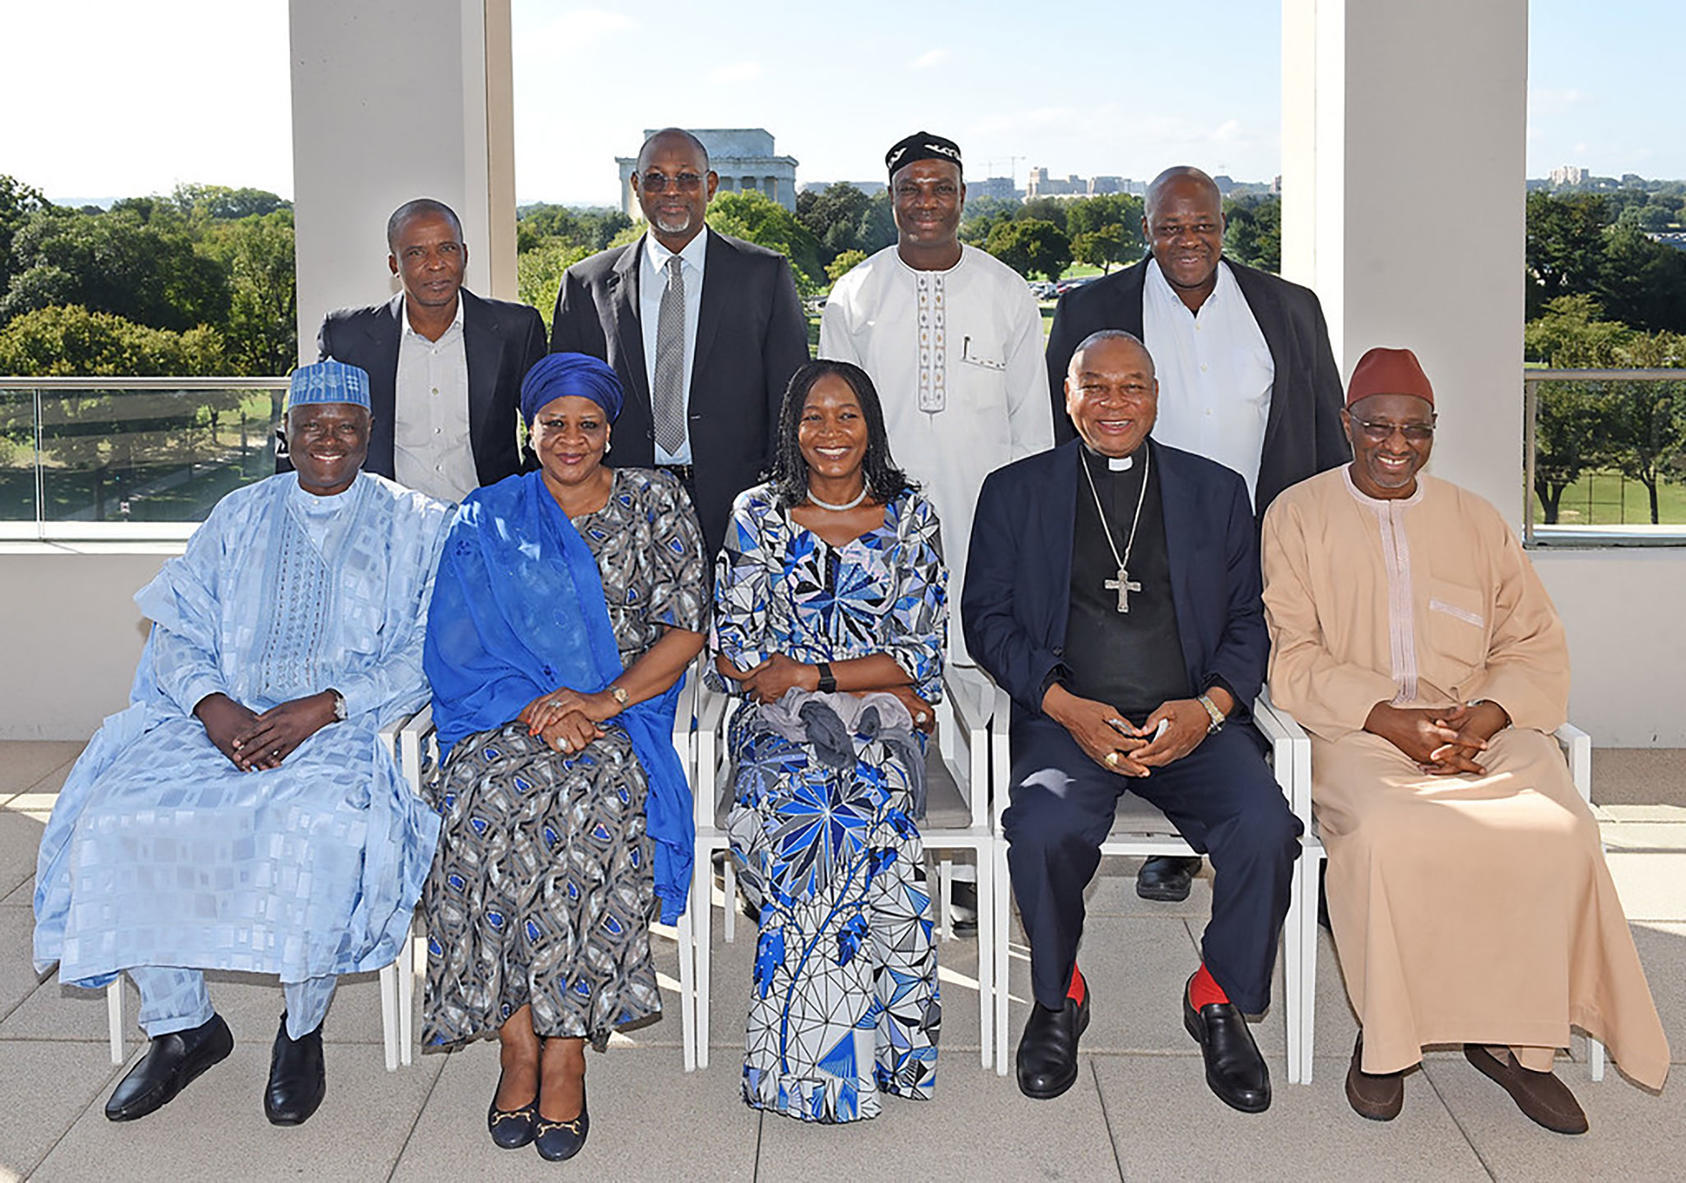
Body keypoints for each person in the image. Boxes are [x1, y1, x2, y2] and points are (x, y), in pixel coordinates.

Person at [1260, 346, 1669, 1132]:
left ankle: (1522, 1045)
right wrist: (1391, 720)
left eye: (1414, 429)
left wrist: (1482, 717)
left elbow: (1532, 644)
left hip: (1480, 726)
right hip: (1360, 733)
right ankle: (1387, 1041)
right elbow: (1294, 654)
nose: (1395, 444)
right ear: (1347, 424)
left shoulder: (1476, 519)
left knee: (1562, 830)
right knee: (1387, 836)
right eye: (1377, 426)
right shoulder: (1298, 515)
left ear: (1433, 432)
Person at [33, 360, 451, 1127]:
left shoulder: (419, 522)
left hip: (343, 728)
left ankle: (300, 1029)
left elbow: (429, 648)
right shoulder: (238, 515)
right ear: (283, 437)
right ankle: (184, 1027)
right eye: (311, 426)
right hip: (219, 725)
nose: (329, 439)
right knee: (120, 816)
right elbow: (179, 625)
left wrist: (323, 706)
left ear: (369, 436)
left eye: (346, 427)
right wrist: (211, 704)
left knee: (315, 826)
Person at [963, 330, 1300, 1111]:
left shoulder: (1215, 491)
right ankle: (1058, 994)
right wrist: (1065, 707)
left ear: (1156, 394)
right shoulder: (1015, 491)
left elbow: (1250, 621)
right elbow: (987, 618)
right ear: (1068, 394)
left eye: (1132, 387)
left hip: (1192, 722)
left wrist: (1211, 706)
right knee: (1041, 828)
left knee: (1266, 827)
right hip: (1068, 720)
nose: (1114, 403)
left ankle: (1217, 991)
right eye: (1096, 387)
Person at [421, 352, 708, 1161]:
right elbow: (457, 643)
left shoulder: (657, 502)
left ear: (610, 429)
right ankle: (517, 1039)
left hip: (621, 713)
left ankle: (569, 1044)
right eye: (554, 424)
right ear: (530, 428)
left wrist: (599, 701)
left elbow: (685, 627)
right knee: (479, 810)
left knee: (590, 810)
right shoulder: (488, 515)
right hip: (506, 715)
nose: (571, 439)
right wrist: (539, 709)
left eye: (588, 424)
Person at [1045, 166, 1348, 904]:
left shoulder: (1289, 307)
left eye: (1203, 224)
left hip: (1266, 534)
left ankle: (1317, 845)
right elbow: (1067, 429)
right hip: (1144, 541)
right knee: (1171, 682)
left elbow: (1324, 424)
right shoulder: (1092, 304)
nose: (1189, 239)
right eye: (1171, 226)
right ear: (1144, 230)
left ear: (1224, 226)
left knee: (1286, 682)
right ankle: (1180, 842)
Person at [709, 359, 947, 1124]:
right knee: (812, 818)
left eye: (848, 415)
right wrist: (864, 673)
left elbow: (923, 656)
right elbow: (734, 652)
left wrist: (808, 669)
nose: (831, 432)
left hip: (881, 731)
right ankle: (855, 1060)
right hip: (778, 734)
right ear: (792, 429)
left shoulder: (912, 516)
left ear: (871, 424)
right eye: (814, 416)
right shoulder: (758, 512)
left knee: (850, 815)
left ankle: (810, 1062)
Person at [820, 131, 1052, 702]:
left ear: (962, 195)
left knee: (984, 659)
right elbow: (832, 424)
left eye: (940, 188)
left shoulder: (1006, 291)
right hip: (882, 512)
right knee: (885, 663)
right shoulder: (854, 295)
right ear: (891, 198)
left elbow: (1033, 423)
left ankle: (989, 784)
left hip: (986, 508)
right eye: (910, 189)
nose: (926, 201)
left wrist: (1033, 523)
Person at [549, 128, 811, 557]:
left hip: (737, 506)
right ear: (636, 187)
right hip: (617, 507)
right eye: (656, 179)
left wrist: (778, 500)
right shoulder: (587, 284)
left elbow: (789, 397)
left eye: (686, 178)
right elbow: (563, 405)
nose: (672, 191)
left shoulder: (763, 275)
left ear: (710, 186)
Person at [308, 197, 548, 504]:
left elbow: (549, 423)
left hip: (488, 523)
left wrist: (521, 494)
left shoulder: (516, 328)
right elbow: (313, 430)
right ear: (395, 265)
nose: (435, 264)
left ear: (464, 254)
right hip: (383, 526)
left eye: (447, 248)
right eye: (416, 253)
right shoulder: (347, 337)